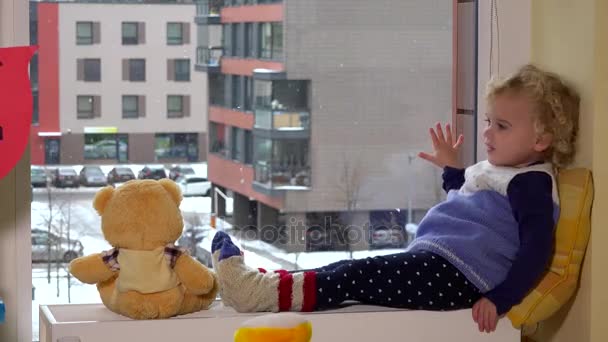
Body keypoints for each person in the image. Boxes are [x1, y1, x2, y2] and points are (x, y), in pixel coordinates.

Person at [210, 64, 580, 333]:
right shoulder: (506, 171)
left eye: (502, 126)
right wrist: (452, 169)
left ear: (541, 140)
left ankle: (258, 292)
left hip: (460, 276)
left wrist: (501, 299)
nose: (487, 133)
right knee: (350, 272)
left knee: (354, 276)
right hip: (443, 263)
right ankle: (264, 284)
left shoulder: (530, 184)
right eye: (487, 121)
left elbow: (536, 249)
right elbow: (468, 201)